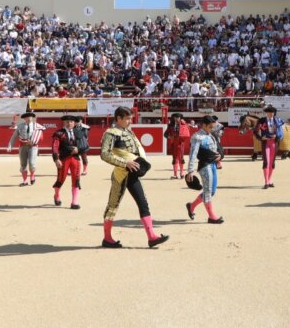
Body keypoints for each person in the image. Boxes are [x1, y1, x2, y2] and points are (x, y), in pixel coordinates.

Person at [100, 106, 168, 248]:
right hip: (120, 174)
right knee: (113, 206)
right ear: (118, 118)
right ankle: (107, 238)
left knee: (143, 203)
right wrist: (125, 163)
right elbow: (105, 154)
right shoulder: (111, 133)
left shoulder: (128, 131)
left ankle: (152, 237)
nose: (130, 121)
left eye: (130, 118)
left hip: (132, 174)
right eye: (128, 118)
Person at [185, 115, 224, 224]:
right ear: (204, 125)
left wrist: (220, 156)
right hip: (204, 166)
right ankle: (212, 217)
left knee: (212, 191)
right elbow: (193, 154)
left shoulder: (210, 135)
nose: (212, 129)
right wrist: (190, 170)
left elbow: (217, 148)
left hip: (213, 165)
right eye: (210, 127)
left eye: (213, 127)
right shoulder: (197, 137)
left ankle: (191, 206)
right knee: (208, 191)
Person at [51, 115, 84, 209]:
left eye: (71, 122)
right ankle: (56, 195)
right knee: (61, 179)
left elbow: (85, 145)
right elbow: (55, 147)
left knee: (76, 179)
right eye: (67, 122)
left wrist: (79, 149)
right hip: (63, 159)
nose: (69, 123)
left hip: (75, 158)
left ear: (74, 123)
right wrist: (56, 159)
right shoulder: (59, 133)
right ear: (64, 123)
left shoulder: (78, 133)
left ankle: (74, 202)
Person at [7, 112, 44, 186]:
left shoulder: (37, 126)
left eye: (30, 117)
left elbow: (41, 137)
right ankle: (25, 181)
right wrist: (10, 145)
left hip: (33, 146)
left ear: (32, 118)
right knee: (23, 164)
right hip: (22, 146)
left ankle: (32, 175)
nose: (29, 119)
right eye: (27, 117)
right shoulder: (20, 126)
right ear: (24, 119)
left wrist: (34, 141)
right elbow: (14, 136)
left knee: (32, 164)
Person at [255, 104, 283, 189]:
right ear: (266, 113)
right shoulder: (261, 121)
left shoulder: (278, 120)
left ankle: (270, 180)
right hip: (266, 142)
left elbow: (281, 133)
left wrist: (277, 136)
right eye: (269, 112)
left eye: (272, 112)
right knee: (266, 161)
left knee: (272, 162)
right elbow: (255, 131)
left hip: (274, 143)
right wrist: (261, 137)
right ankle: (266, 182)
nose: (271, 114)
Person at [165, 112, 190, 178]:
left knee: (181, 158)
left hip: (181, 143)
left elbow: (187, 131)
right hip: (174, 143)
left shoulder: (183, 125)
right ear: (173, 118)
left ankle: (182, 173)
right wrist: (169, 137)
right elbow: (165, 134)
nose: (176, 119)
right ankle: (175, 174)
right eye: (175, 117)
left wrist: (185, 123)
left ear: (180, 118)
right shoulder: (170, 125)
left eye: (178, 117)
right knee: (175, 158)